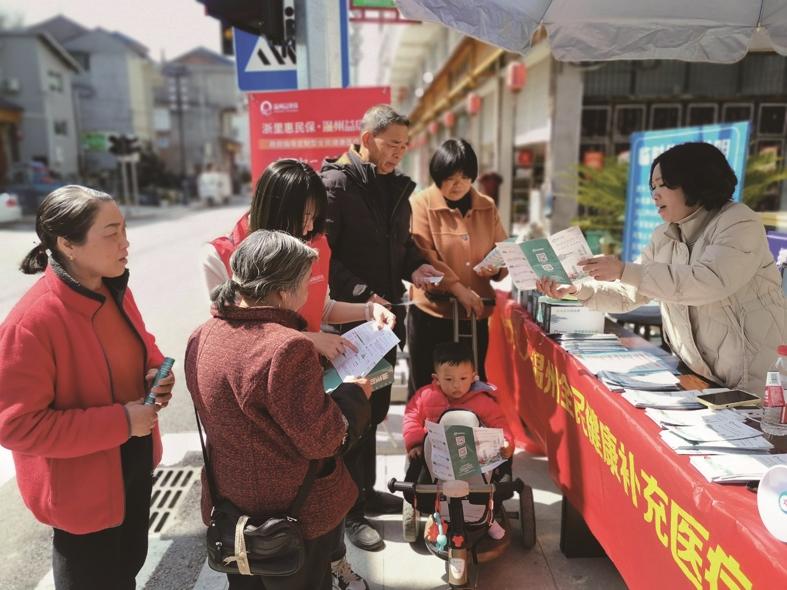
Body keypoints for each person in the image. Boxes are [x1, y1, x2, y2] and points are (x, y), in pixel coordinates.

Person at [0, 185, 175, 590]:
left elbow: (145, 347)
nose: (125, 243)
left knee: (127, 570)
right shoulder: (32, 323)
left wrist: (156, 375)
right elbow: (17, 426)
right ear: (67, 244)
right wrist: (121, 422)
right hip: (82, 493)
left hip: (130, 465)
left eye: (125, 229)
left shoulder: (113, 289)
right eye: (111, 233)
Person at [186, 230, 373, 590]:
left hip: (230, 506)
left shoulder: (202, 334)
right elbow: (322, 439)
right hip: (290, 514)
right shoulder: (287, 347)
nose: (309, 292)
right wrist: (353, 397)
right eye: (306, 282)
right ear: (284, 291)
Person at [537, 142, 787, 395]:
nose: (655, 195)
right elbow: (629, 294)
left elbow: (709, 282)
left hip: (757, 380)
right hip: (699, 376)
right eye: (652, 187)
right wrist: (579, 289)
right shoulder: (663, 236)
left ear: (695, 181)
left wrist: (625, 270)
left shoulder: (739, 221)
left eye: (663, 185)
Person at [320, 104, 442, 551]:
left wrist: (419, 268)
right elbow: (325, 256)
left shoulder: (394, 187)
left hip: (385, 322)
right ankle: (349, 513)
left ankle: (365, 491)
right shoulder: (335, 185)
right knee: (349, 414)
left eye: (404, 145)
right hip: (351, 323)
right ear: (367, 137)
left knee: (372, 414)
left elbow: (400, 246)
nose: (399, 153)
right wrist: (362, 295)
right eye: (392, 144)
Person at [201, 158, 395, 361]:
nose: (310, 228)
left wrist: (369, 310)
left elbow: (323, 307)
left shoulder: (313, 244)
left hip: (309, 370)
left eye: (315, 218)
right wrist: (307, 339)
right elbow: (227, 335)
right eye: (305, 217)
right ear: (276, 210)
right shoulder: (219, 256)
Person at [408, 139, 508, 395]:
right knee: (428, 390)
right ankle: (424, 436)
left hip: (474, 313)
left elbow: (504, 250)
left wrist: (495, 266)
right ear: (437, 175)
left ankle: (468, 435)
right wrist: (457, 288)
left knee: (471, 389)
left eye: (465, 177)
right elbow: (424, 255)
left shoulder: (487, 206)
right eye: (450, 178)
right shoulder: (421, 204)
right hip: (432, 312)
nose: (458, 185)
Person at [402, 341, 514, 539]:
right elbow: (411, 417)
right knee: (418, 482)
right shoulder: (426, 396)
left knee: (498, 477)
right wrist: (415, 443)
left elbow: (499, 423)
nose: (456, 385)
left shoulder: (482, 400)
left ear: (473, 376)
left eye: (463, 378)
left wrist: (505, 443)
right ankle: (439, 516)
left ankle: (485, 515)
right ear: (436, 379)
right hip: (436, 464)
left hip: (475, 467)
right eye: (449, 379)